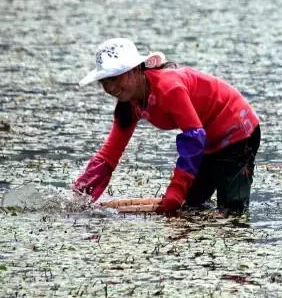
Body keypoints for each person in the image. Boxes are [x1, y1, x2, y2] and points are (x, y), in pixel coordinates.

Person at [73, 38, 260, 215]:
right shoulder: (129, 105)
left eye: (114, 78)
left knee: (232, 210)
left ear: (136, 70)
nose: (110, 88)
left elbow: (194, 137)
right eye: (104, 81)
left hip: (238, 131)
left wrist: (175, 192)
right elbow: (109, 155)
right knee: (192, 205)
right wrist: (81, 193)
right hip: (207, 140)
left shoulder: (169, 87)